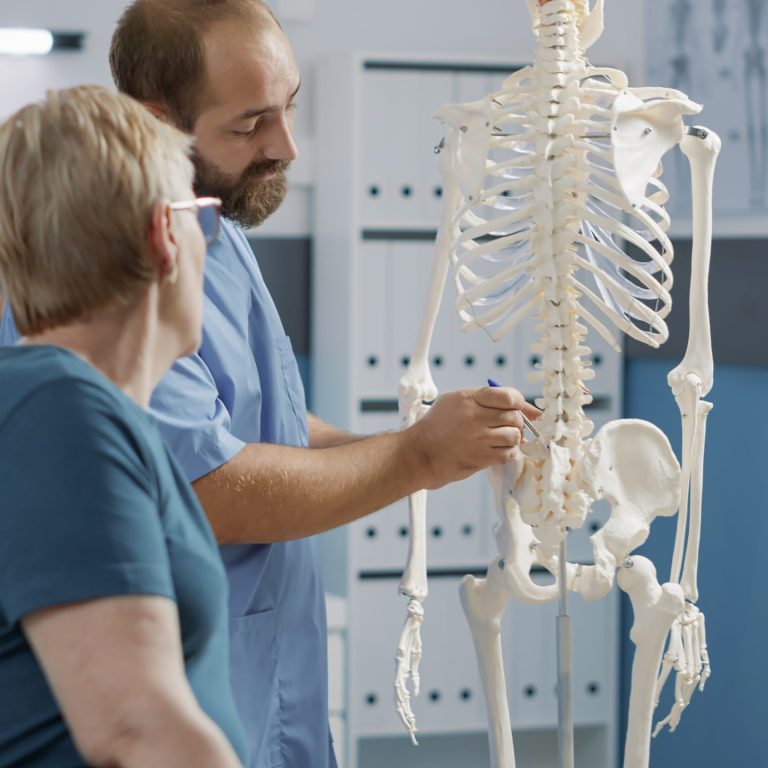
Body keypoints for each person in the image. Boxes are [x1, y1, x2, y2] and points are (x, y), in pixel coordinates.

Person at [2, 3, 539, 766]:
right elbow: (211, 485)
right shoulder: (60, 410)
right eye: (251, 122)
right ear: (165, 229)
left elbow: (264, 425)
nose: (284, 145)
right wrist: (414, 457)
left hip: (275, 697)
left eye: (288, 110)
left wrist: (431, 448)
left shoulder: (223, 232)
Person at [0, 85, 246, 767]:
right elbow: (138, 729)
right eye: (203, 217)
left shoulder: (72, 409)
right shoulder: (58, 410)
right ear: (165, 234)